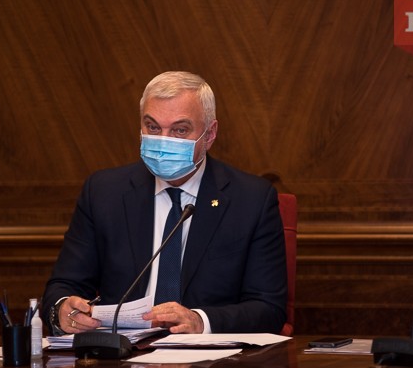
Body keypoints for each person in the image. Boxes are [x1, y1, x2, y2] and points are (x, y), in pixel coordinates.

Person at [41, 71, 287, 335]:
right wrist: (63, 309)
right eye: (153, 127)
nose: (163, 141)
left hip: (207, 357)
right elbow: (62, 287)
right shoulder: (103, 192)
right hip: (123, 353)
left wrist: (200, 321)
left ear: (210, 134)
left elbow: (268, 309)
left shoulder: (251, 199)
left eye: (180, 130)